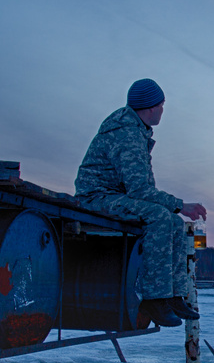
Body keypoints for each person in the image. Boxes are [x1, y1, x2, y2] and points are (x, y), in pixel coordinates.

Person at [74, 78, 207, 328]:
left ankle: (174, 296)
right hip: (97, 196)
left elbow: (143, 186)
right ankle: (154, 299)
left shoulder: (137, 131)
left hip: (115, 194)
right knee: (160, 218)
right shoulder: (126, 134)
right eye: (161, 105)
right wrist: (181, 204)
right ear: (150, 107)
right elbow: (139, 189)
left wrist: (175, 209)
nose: (163, 110)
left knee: (174, 222)